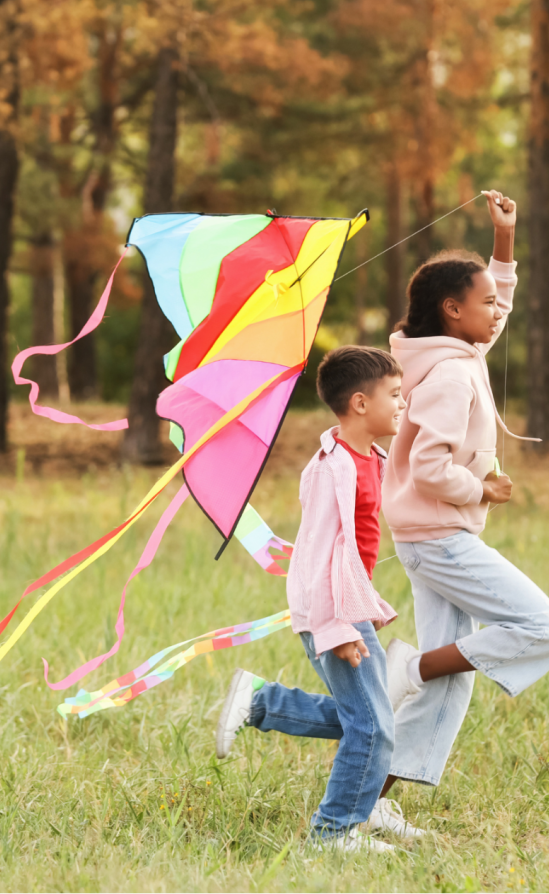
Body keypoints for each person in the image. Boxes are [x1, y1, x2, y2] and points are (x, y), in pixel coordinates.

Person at [378, 189, 549, 820]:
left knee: (449, 685)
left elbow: (497, 306)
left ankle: (365, 804)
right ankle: (411, 664)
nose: (498, 313)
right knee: (544, 628)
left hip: (429, 534)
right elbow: (432, 469)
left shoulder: (448, 352)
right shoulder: (454, 373)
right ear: (451, 309)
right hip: (439, 536)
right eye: (485, 303)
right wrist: (480, 487)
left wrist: (505, 241)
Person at [214, 345, 415, 854]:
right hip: (331, 611)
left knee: (365, 718)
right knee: (372, 724)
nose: (403, 403)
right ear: (360, 403)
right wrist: (337, 628)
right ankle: (334, 831)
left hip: (349, 606)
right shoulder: (332, 469)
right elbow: (319, 556)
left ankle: (262, 702)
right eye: (395, 394)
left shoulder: (372, 459)